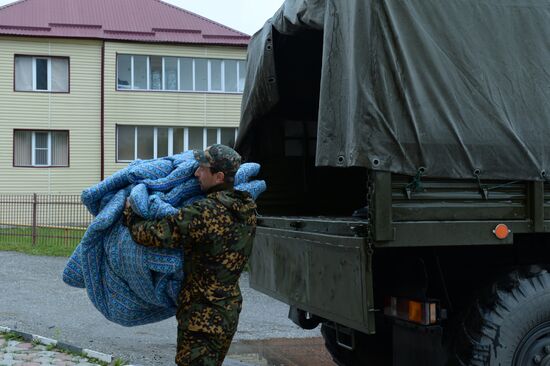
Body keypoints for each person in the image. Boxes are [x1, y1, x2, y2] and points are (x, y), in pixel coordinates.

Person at [122, 144, 257, 366]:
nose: (196, 173)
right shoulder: (246, 208)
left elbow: (152, 235)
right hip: (228, 310)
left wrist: (130, 213)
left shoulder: (204, 213)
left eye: (202, 168)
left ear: (219, 176)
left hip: (202, 317)